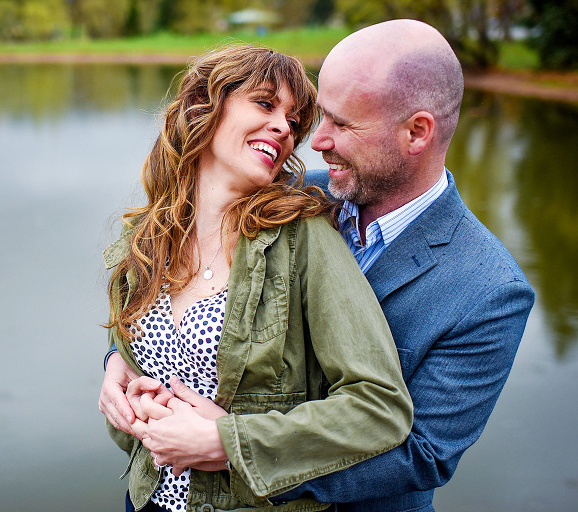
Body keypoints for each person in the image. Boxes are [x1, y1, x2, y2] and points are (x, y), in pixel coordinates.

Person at [101, 20, 535, 512]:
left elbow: (423, 453)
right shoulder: (282, 194)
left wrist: (231, 448)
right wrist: (119, 362)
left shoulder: (490, 289)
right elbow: (167, 288)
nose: (314, 140)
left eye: (343, 124)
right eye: (320, 117)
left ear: (416, 132)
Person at [100, 44, 413, 512]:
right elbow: (144, 366)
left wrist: (230, 441)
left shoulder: (302, 236)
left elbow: (380, 406)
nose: (284, 128)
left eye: (293, 121)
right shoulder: (144, 236)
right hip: (145, 501)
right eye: (265, 104)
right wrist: (123, 390)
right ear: (203, 106)